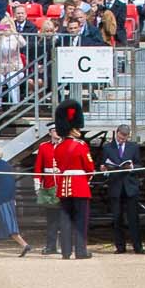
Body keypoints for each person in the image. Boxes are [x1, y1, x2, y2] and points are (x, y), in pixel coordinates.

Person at [52, 102, 95, 259]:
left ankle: (65, 251)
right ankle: (80, 251)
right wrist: (86, 180)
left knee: (65, 221)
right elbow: (90, 169)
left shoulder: (58, 147)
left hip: (63, 187)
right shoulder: (81, 145)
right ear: (73, 128)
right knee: (80, 220)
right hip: (79, 186)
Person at [102, 126, 142, 254]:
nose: (122, 139)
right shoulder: (107, 147)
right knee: (117, 218)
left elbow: (139, 164)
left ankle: (137, 246)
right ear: (116, 133)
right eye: (120, 136)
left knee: (133, 218)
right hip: (115, 186)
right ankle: (120, 246)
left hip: (130, 186)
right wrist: (104, 169)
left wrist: (131, 166)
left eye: (125, 136)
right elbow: (103, 164)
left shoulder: (133, 147)